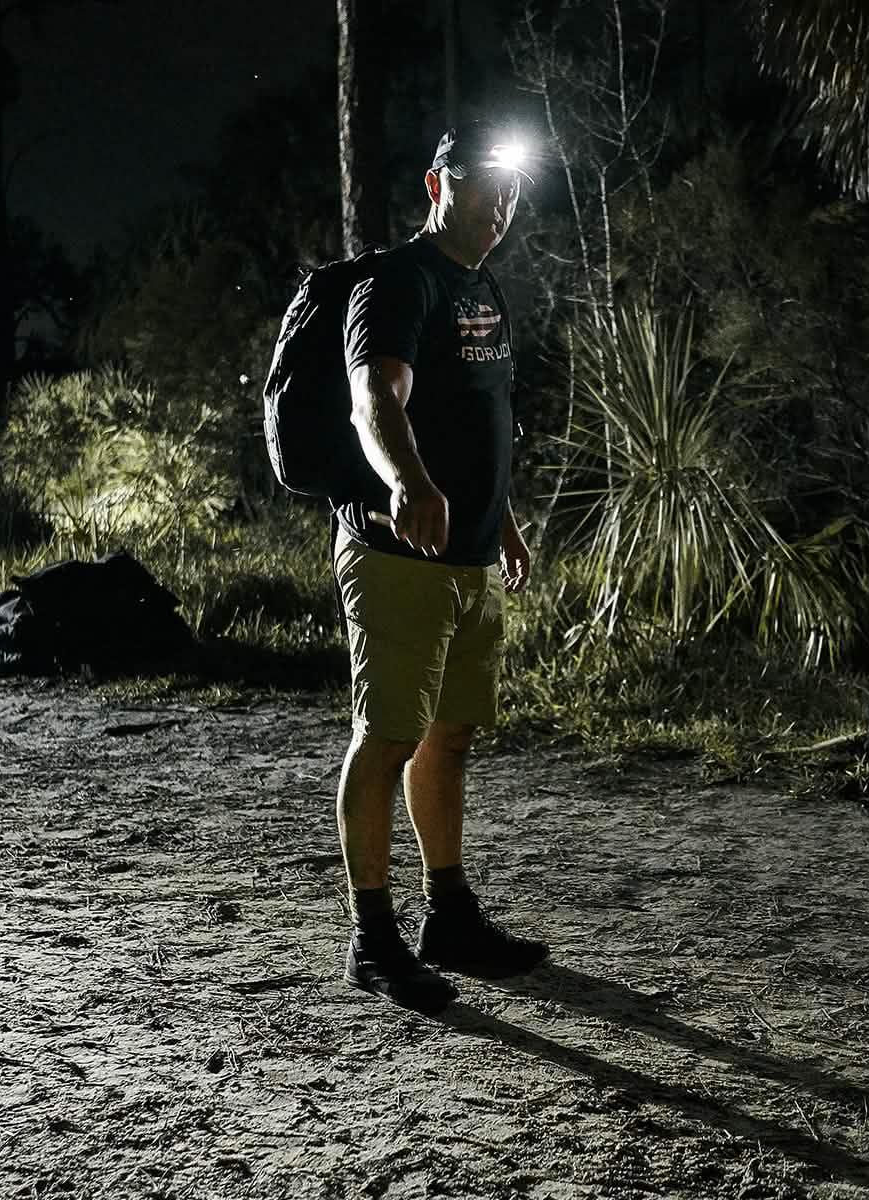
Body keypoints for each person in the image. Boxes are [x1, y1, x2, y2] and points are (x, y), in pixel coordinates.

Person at [333, 123, 549, 1014]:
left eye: (512, 192)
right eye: (482, 188)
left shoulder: (483, 284)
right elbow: (373, 397)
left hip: (469, 557)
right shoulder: (399, 283)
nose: (499, 208)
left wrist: (504, 520)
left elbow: (482, 410)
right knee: (386, 739)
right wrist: (410, 481)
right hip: (400, 554)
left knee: (448, 738)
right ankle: (372, 937)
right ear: (437, 184)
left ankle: (448, 916)